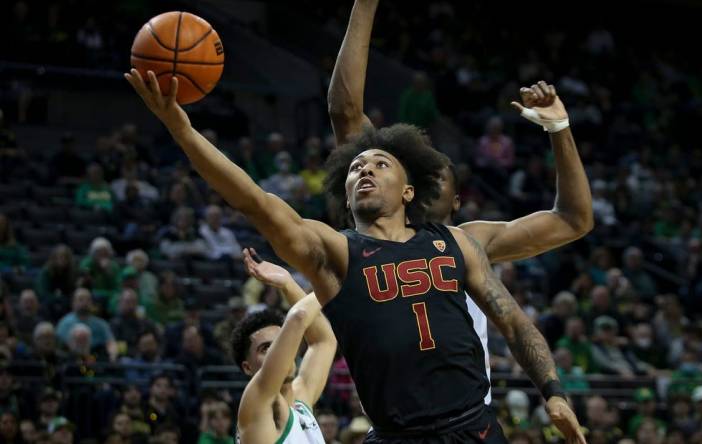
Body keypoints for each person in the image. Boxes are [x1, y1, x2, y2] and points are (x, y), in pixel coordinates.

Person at [126, 49, 585, 442]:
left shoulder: (460, 243)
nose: (364, 169)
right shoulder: (337, 254)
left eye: (380, 163)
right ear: (345, 194)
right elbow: (255, 201)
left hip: (473, 426)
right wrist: (182, 130)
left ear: (409, 191)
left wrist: (554, 391)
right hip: (396, 433)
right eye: (354, 167)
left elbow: (514, 322)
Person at [232, 259, 335, 443]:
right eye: (266, 348)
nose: (279, 352)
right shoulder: (256, 405)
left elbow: (323, 341)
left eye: (280, 343)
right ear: (247, 367)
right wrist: (337, 278)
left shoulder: (301, 398)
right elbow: (298, 317)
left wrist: (288, 284)